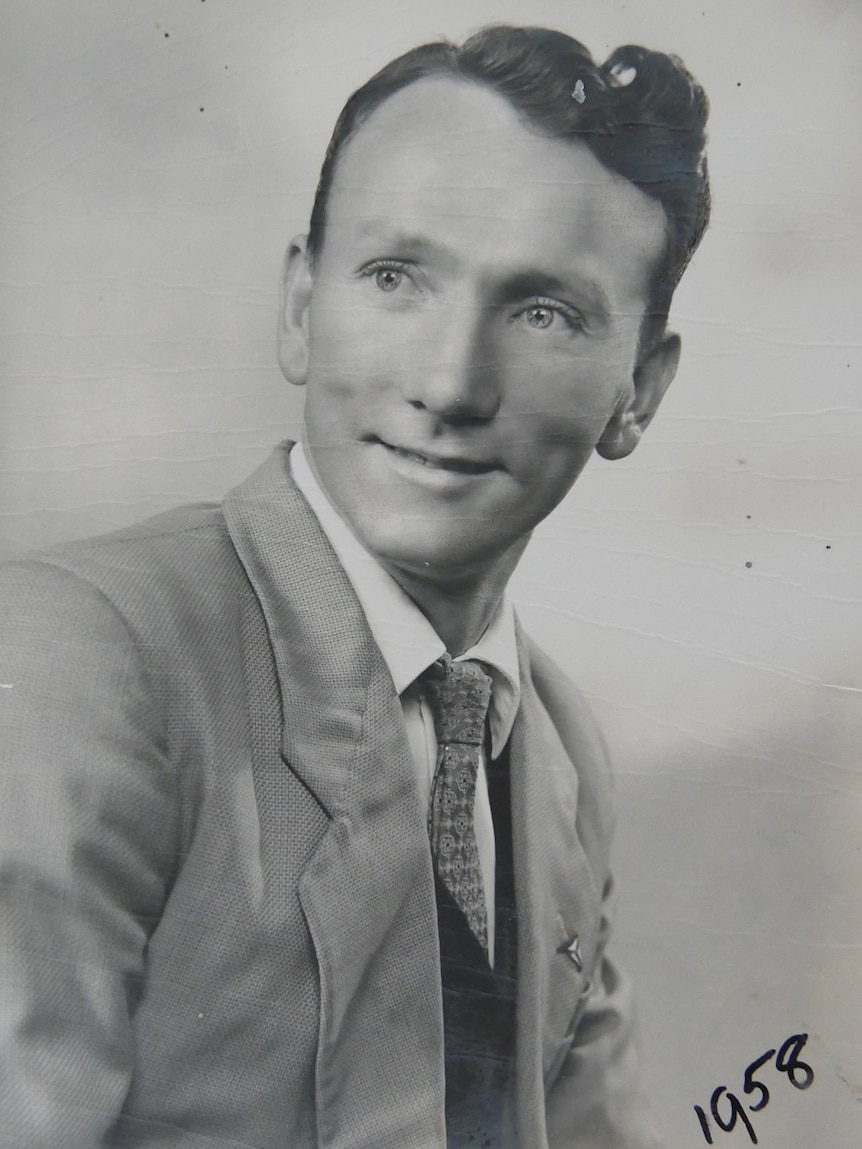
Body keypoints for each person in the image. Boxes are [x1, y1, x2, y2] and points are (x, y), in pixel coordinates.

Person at [0, 24, 709, 1149]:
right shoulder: (84, 659)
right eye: (396, 277)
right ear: (299, 306)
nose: (449, 382)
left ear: (639, 393)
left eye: (543, 313)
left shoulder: (558, 748)